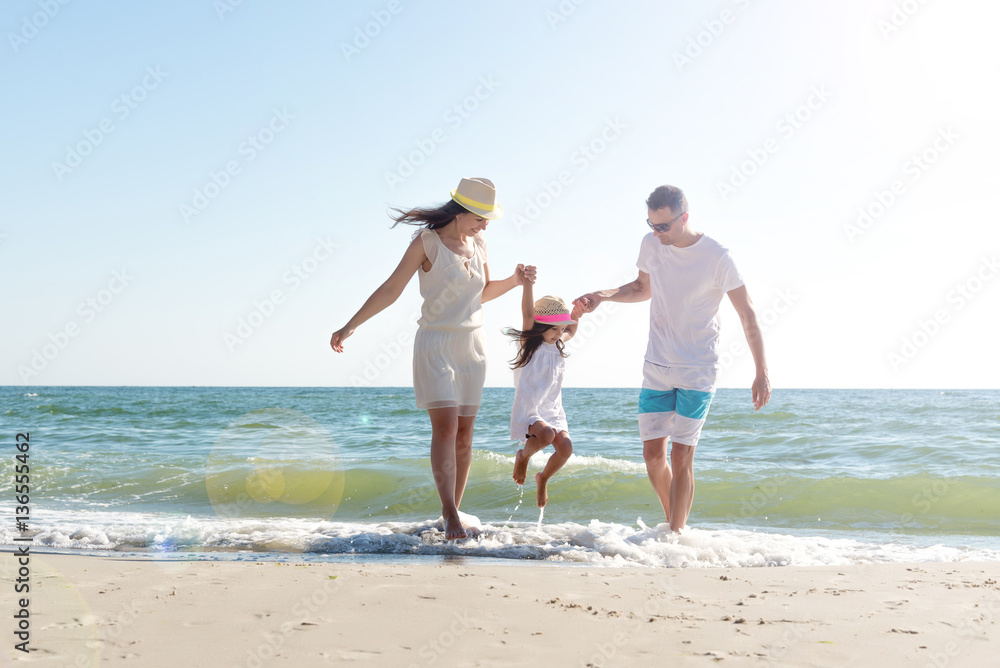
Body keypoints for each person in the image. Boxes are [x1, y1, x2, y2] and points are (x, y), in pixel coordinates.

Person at [330, 177, 530, 540]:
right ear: (460, 212)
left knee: (466, 435)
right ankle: (450, 514)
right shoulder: (427, 243)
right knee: (447, 427)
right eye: (480, 218)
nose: (484, 226)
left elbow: (481, 293)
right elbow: (391, 289)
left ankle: (453, 509)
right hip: (435, 343)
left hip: (472, 345)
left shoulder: (479, 243)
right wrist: (350, 326)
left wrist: (514, 281)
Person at [574, 185, 771, 532]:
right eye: (651, 225)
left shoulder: (718, 257)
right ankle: (672, 526)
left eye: (664, 226)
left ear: (685, 218)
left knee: (681, 457)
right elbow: (641, 288)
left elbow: (748, 314)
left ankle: (676, 536)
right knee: (652, 458)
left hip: (698, 369)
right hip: (657, 366)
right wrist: (602, 296)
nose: (657, 233)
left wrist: (761, 372)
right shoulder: (652, 244)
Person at [503, 282, 582, 508]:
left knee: (566, 448)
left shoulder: (556, 343)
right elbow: (527, 313)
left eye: (561, 328)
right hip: (530, 408)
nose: (560, 334)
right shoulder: (529, 343)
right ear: (540, 326)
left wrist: (578, 313)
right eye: (554, 329)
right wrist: (527, 284)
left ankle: (543, 478)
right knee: (546, 434)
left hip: (553, 408)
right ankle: (523, 457)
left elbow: (572, 329)